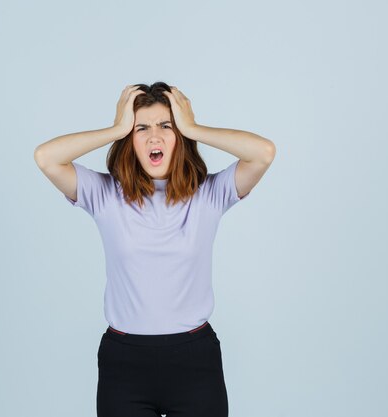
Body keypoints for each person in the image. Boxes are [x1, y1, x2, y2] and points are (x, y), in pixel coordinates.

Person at [33, 82, 275, 417]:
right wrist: (115, 128)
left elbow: (263, 153)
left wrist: (193, 127)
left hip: (195, 360)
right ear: (130, 140)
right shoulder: (105, 195)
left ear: (180, 138)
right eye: (141, 128)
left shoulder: (209, 195)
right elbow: (46, 158)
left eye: (166, 126)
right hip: (125, 364)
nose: (154, 137)